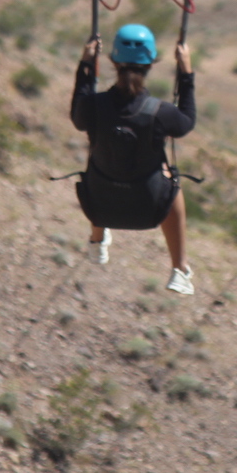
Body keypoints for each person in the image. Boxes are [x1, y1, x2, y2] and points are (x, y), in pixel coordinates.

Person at [70, 23, 196, 294]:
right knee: (171, 179)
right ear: (150, 63)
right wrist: (185, 72)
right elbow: (186, 122)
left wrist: (85, 65)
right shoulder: (160, 113)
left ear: (114, 61)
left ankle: (97, 239)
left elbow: (78, 114)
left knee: (101, 160)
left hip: (100, 204)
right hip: (149, 207)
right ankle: (179, 268)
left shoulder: (93, 107)